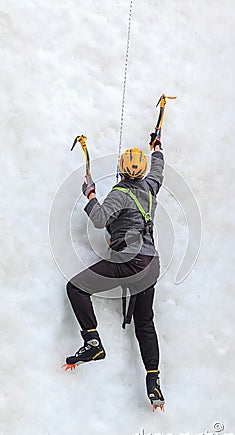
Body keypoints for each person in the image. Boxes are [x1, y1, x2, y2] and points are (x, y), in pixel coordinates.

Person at [64, 134, 165, 410]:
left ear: (122, 168)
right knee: (144, 324)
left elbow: (99, 219)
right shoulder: (151, 187)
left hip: (129, 261)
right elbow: (159, 168)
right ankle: (154, 382)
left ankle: (92, 340)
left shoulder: (120, 194)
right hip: (151, 265)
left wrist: (91, 194)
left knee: (76, 287)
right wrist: (157, 146)